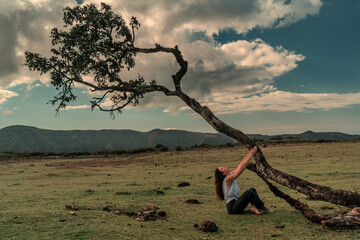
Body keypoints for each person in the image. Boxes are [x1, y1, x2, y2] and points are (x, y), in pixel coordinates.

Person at [215, 146, 274, 215]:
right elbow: (241, 168)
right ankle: (263, 207)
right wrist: (252, 154)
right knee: (249, 192)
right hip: (232, 208)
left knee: (252, 190)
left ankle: (254, 207)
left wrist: (249, 153)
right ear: (223, 174)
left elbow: (240, 165)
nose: (224, 167)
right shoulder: (227, 179)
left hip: (236, 203)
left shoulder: (229, 175)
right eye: (222, 168)